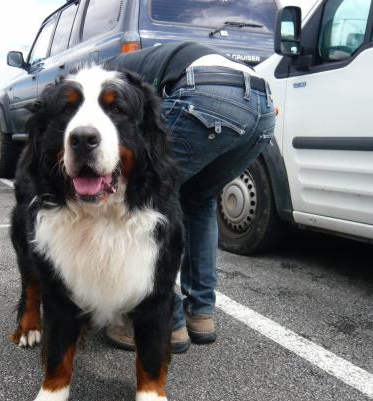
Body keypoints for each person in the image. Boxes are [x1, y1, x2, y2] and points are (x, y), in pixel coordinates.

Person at [105, 42, 276, 353]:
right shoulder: (153, 59)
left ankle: (167, 321)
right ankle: (201, 314)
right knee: (200, 198)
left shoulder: (108, 76)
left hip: (209, 95)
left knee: (146, 199)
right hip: (263, 107)